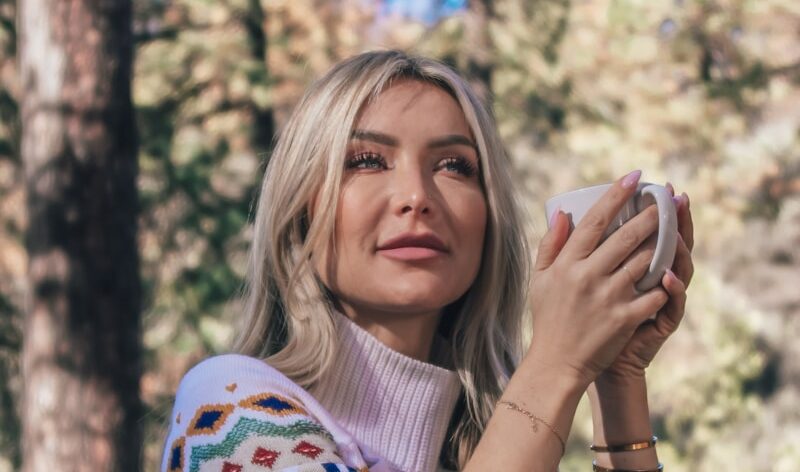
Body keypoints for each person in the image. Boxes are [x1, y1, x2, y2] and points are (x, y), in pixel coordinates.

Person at [160, 50, 694, 472]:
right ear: (300, 213)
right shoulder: (227, 414)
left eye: (454, 166)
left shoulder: (505, 443)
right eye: (367, 161)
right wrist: (557, 362)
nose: (416, 196)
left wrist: (616, 378)